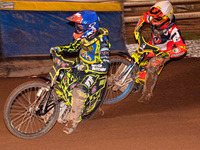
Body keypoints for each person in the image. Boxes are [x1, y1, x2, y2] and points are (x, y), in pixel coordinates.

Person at [50, 10, 110, 134]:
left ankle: (73, 121)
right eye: (77, 26)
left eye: (80, 27)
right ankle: (55, 108)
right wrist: (59, 49)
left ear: (90, 27)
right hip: (79, 66)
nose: (77, 29)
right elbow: (74, 47)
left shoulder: (102, 42)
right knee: (60, 78)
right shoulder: (84, 37)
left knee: (79, 91)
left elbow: (104, 67)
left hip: (93, 72)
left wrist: (87, 68)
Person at [132, 0, 187, 103]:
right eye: (154, 17)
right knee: (133, 58)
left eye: (158, 18)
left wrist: (168, 54)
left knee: (152, 66)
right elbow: (143, 17)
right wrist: (136, 30)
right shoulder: (153, 17)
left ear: (167, 18)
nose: (153, 20)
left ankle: (147, 94)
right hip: (152, 45)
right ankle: (131, 83)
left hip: (164, 51)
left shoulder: (174, 30)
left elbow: (182, 48)